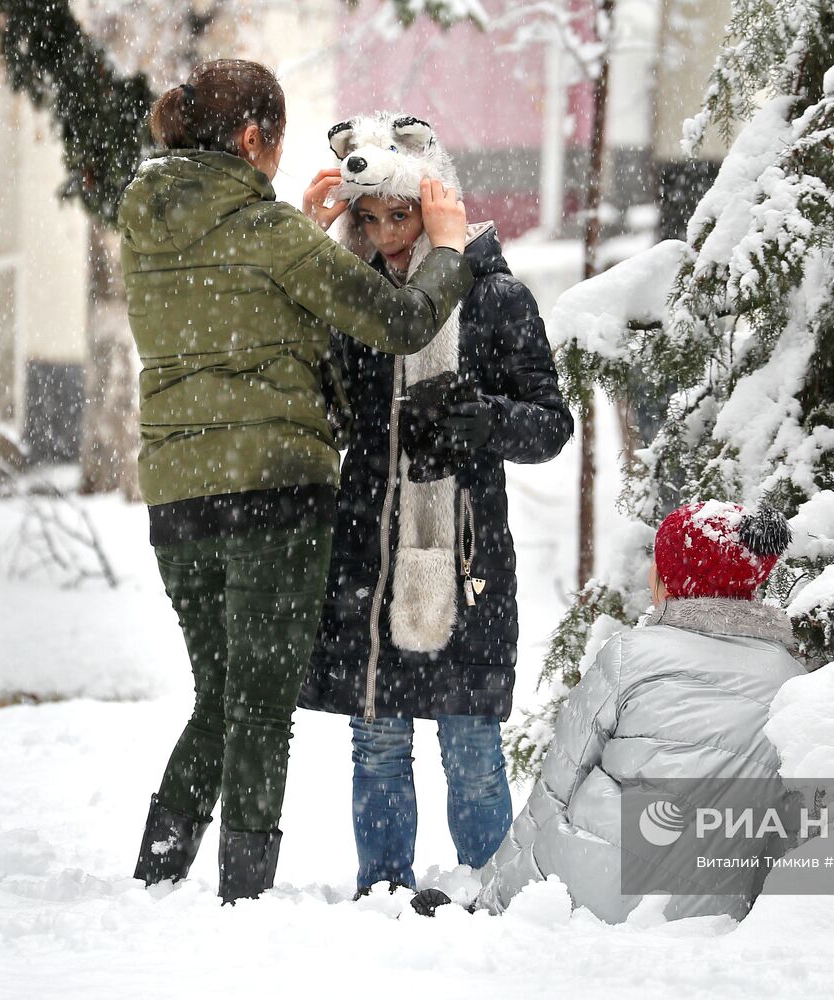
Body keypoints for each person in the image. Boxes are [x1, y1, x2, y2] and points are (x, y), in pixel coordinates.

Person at [119, 61, 473, 903]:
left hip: (178, 488)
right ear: (251, 141)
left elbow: (237, 311)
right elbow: (401, 321)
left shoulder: (143, 223)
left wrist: (304, 240)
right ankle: (242, 893)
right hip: (275, 489)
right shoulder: (268, 232)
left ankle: (158, 870)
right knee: (259, 703)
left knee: (220, 694)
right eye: (273, 145)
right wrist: (450, 247)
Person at [295, 112, 573, 897]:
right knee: (376, 739)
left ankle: (488, 894)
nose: (384, 233)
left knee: (470, 744)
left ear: (436, 202)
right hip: (368, 552)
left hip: (466, 553)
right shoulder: (348, 297)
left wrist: (481, 419)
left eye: (401, 212)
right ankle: (380, 893)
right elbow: (321, 399)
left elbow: (551, 423)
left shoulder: (495, 297)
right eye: (369, 216)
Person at [467, 500, 805, 922]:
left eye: (657, 565)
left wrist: (488, 896)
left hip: (589, 886)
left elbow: (559, 787)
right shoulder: (793, 680)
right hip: (711, 913)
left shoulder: (631, 655)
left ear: (672, 582)